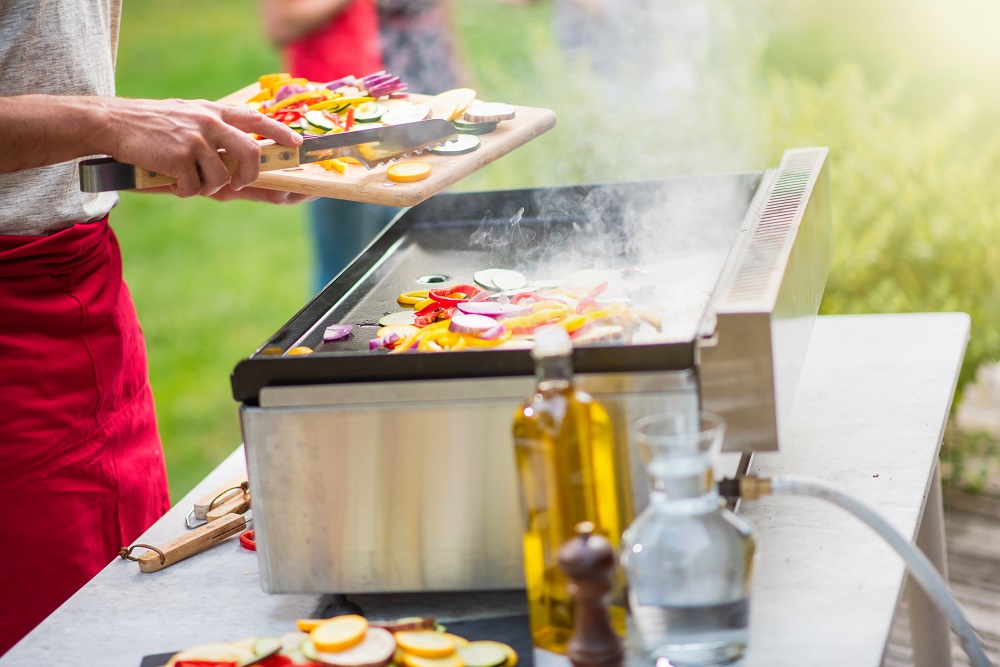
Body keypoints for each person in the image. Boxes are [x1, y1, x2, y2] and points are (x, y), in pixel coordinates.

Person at [0, 0, 309, 655]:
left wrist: (161, 153)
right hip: (13, 342)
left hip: (89, 300)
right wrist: (109, 121)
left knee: (135, 611)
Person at [262, 0, 464, 292]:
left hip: (366, 112)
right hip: (325, 121)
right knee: (342, 267)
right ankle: (319, 336)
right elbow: (279, 25)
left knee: (401, 250)